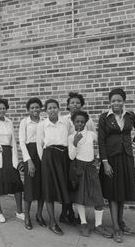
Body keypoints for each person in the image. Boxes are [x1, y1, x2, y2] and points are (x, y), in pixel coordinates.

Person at [98, 88, 135, 243]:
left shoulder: (130, 116)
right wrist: (105, 163)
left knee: (122, 191)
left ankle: (121, 223)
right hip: (111, 160)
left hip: (126, 158)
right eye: (113, 101)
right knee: (113, 193)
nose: (116, 103)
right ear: (109, 102)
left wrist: (133, 143)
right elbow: (101, 142)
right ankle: (116, 228)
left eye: (119, 100)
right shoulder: (104, 117)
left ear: (123, 101)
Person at [68, 111, 111, 238]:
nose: (80, 123)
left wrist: (98, 158)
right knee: (80, 197)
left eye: (82, 121)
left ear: (86, 122)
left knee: (97, 196)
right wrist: (74, 143)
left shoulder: (91, 134)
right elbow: (71, 156)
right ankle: (83, 223)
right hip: (78, 168)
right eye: (77, 121)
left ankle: (98, 225)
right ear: (73, 123)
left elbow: (103, 144)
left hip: (91, 168)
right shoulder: (71, 137)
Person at [60, 91, 96, 225]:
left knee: (77, 186)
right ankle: (66, 212)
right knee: (67, 183)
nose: (75, 105)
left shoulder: (88, 120)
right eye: (72, 102)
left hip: (81, 158)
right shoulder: (63, 120)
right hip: (66, 154)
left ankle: (77, 214)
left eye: (78, 103)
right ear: (68, 105)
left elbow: (93, 137)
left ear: (81, 105)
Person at [36, 98, 70, 235]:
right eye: (49, 108)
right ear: (46, 111)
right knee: (49, 189)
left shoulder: (66, 122)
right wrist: (44, 161)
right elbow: (39, 144)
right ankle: (52, 222)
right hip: (48, 157)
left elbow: (71, 137)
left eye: (54, 107)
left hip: (63, 157)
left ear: (59, 109)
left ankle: (65, 215)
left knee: (64, 187)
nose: (52, 110)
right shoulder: (42, 125)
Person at [18, 97, 45, 230]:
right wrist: (29, 161)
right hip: (30, 154)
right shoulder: (25, 122)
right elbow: (22, 142)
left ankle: (39, 214)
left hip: (43, 154)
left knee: (42, 186)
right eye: (32, 108)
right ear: (28, 110)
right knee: (29, 187)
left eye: (37, 107)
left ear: (41, 108)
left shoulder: (44, 122)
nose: (35, 109)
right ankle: (27, 216)